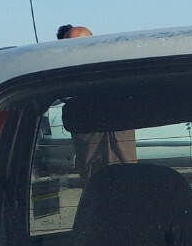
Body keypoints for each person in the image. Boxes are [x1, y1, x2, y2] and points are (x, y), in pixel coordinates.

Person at [56, 23, 137, 182]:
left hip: (124, 167)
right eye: (67, 46)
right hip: (93, 177)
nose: (73, 51)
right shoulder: (64, 77)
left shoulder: (114, 72)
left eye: (78, 45)